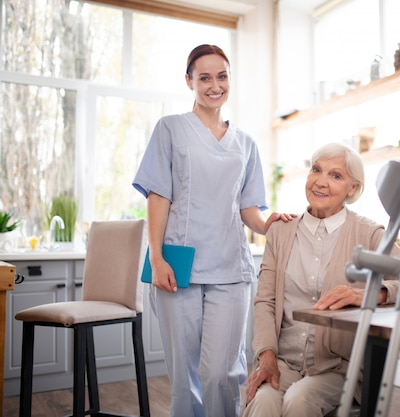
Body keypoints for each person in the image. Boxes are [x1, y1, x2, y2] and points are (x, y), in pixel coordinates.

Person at [132, 44, 292, 417]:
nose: (214, 85)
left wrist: (271, 223)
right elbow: (159, 197)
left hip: (230, 268)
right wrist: (155, 257)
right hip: (177, 265)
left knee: (222, 372)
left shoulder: (246, 144)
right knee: (184, 376)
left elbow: (250, 210)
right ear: (190, 81)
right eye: (204, 77)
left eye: (222, 76)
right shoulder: (170, 129)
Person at [241, 143, 400, 417]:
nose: (321, 182)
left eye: (336, 176)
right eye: (316, 170)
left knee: (298, 401)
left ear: (352, 189)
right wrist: (266, 356)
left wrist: (370, 293)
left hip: (337, 367)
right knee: (262, 402)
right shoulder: (280, 232)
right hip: (282, 362)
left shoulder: (369, 233)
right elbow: (265, 302)